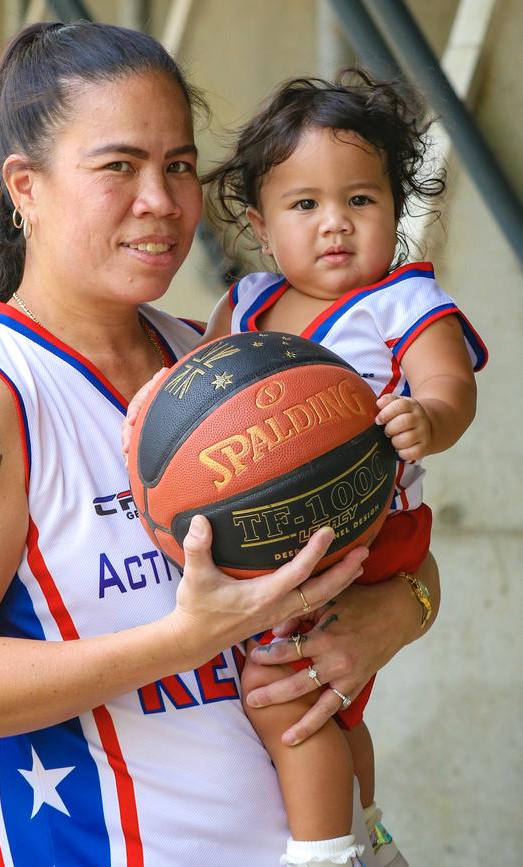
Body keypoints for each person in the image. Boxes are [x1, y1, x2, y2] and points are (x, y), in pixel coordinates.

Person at [0, 23, 440, 867]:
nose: (163, 200)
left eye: (178, 165)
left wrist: (396, 615)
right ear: (24, 187)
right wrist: (189, 636)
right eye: (119, 167)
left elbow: (386, 532)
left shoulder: (226, 366)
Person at [197, 72, 486, 867]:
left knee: (281, 694)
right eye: (305, 205)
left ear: (395, 209)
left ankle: (326, 852)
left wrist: (427, 417)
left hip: (372, 532)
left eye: (361, 200)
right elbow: (203, 392)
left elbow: (451, 386)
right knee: (340, 708)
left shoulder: (401, 300)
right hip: (289, 533)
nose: (336, 224)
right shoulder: (247, 304)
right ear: (260, 224)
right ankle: (372, 832)